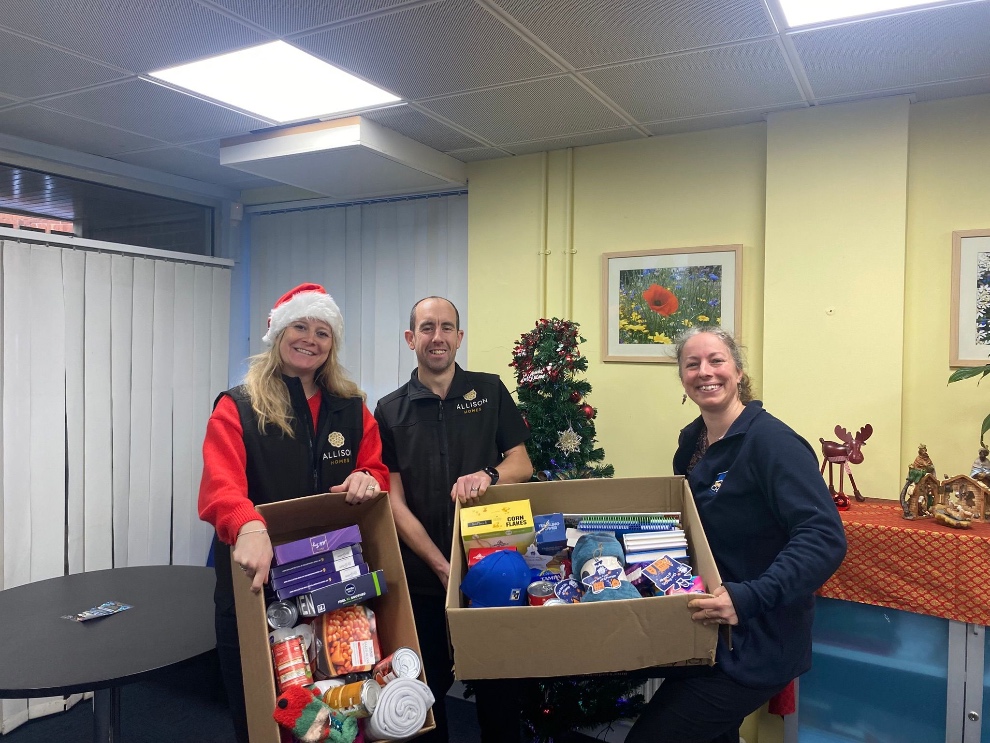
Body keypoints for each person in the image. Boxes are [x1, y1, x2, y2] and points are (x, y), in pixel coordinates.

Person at [625, 327, 847, 743]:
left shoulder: (773, 443)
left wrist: (749, 597)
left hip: (757, 639)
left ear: (739, 372)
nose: (704, 372)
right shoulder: (692, 441)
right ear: (682, 377)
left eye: (716, 360)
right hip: (708, 630)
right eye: (692, 364)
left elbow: (823, 537)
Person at [198, 283, 389, 743]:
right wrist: (247, 523)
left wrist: (367, 477)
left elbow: (376, 468)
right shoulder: (238, 406)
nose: (310, 339)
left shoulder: (352, 407)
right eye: (300, 326)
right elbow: (221, 486)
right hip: (258, 585)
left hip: (333, 581)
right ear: (279, 333)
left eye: (322, 332)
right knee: (266, 713)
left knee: (337, 705)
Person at [374, 296, 534, 743]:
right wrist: (442, 566)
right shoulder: (389, 410)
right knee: (424, 695)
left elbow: (522, 463)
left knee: (499, 698)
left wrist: (489, 474)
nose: (437, 337)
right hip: (424, 579)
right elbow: (392, 502)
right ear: (411, 339)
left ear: (459, 337)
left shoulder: (489, 390)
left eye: (447, 327)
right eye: (427, 328)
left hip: (493, 569)